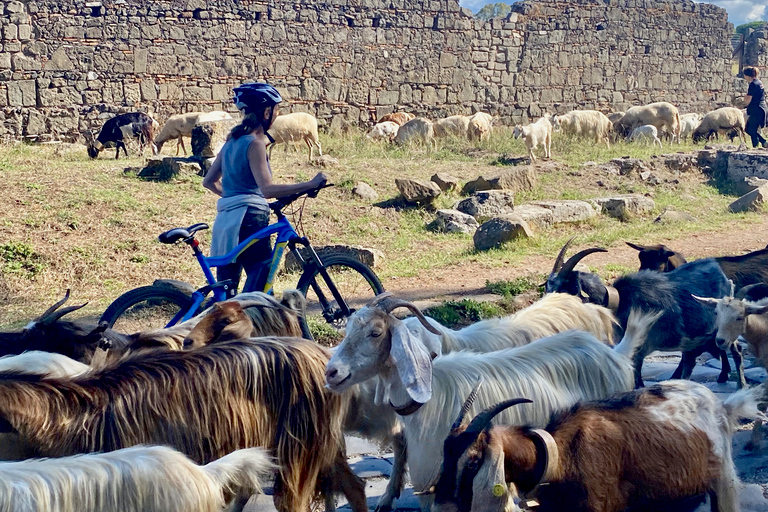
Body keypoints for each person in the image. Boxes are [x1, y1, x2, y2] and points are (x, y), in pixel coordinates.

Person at [202, 82, 327, 297]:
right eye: (276, 110)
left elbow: (209, 182)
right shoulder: (255, 144)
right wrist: (309, 184)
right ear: (266, 112)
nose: (277, 115)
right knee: (258, 290)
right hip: (250, 219)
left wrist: (235, 196)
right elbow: (267, 189)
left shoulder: (231, 142)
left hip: (225, 221)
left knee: (226, 295)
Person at [743, 66, 768, 149]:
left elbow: (748, 99)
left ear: (747, 75)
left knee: (749, 129)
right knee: (753, 129)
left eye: (744, 75)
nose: (744, 77)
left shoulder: (753, 84)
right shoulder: (759, 82)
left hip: (756, 109)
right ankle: (756, 146)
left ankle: (763, 142)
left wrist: (745, 98)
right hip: (762, 108)